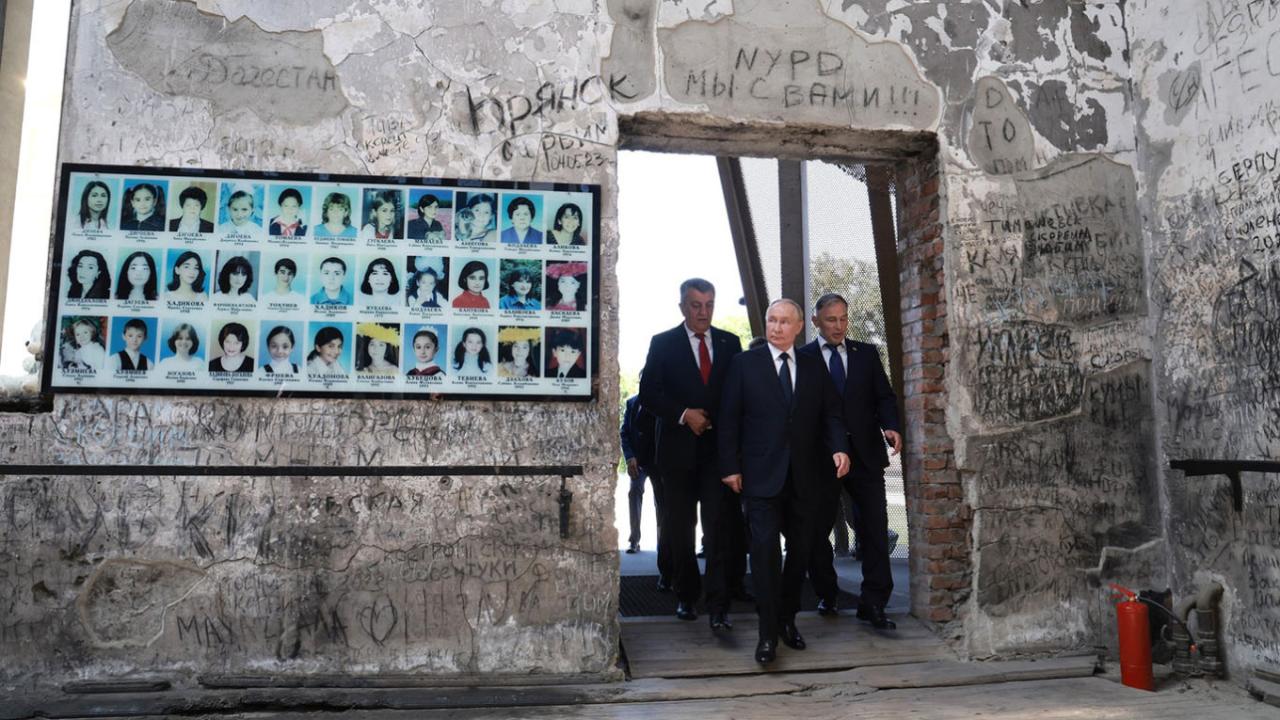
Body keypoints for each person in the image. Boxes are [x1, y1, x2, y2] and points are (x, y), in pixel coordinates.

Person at [718, 298, 851, 664]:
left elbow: (831, 414)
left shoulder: (812, 366)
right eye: (771, 320)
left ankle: (787, 620)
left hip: (806, 478)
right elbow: (729, 419)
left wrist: (839, 448)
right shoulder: (744, 365)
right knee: (764, 555)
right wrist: (730, 466)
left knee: (801, 556)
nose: (776, 327)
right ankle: (766, 636)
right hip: (760, 479)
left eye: (783, 321)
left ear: (798, 328)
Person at [638, 278, 743, 627]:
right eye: (696, 305)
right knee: (680, 529)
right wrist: (684, 415)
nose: (703, 312)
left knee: (718, 530)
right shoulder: (663, 343)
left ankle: (718, 604)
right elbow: (649, 394)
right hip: (677, 455)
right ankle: (686, 596)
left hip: (718, 454)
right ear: (683, 306)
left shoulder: (731, 343)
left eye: (710, 304)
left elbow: (738, 394)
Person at [800, 292, 903, 629]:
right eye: (831, 319)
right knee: (816, 534)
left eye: (844, 318)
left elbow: (884, 397)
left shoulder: (867, 354)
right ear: (815, 321)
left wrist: (890, 426)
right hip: (821, 460)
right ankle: (827, 593)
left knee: (874, 529)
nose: (839, 326)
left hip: (866, 458)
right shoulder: (802, 359)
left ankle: (874, 603)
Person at [621, 372, 669, 587]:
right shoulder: (632, 403)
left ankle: (664, 546)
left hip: (659, 462)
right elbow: (625, 432)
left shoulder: (664, 403)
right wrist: (630, 457)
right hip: (638, 462)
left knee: (663, 506)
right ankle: (634, 539)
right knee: (634, 493)